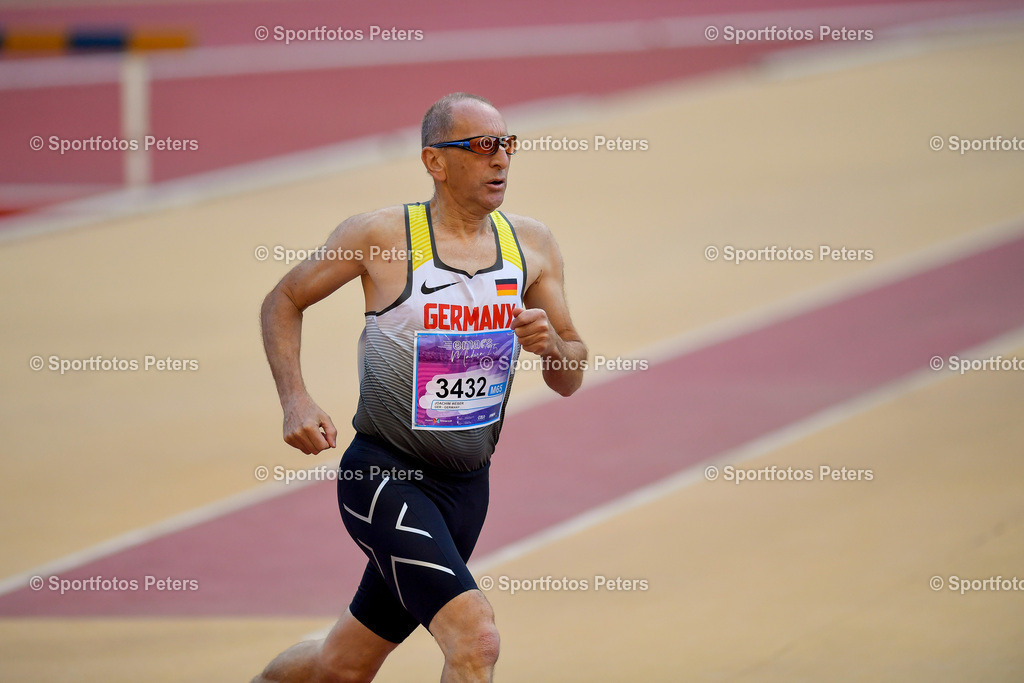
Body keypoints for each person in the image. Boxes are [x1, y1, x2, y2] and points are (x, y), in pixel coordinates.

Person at [254, 92, 587, 683]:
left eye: (507, 144)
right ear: (435, 161)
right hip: (383, 475)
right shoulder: (381, 236)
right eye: (481, 146)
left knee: (343, 667)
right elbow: (284, 298)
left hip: (466, 490)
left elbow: (570, 376)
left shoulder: (531, 246)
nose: (500, 160)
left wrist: (552, 349)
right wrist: (295, 399)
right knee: (475, 637)